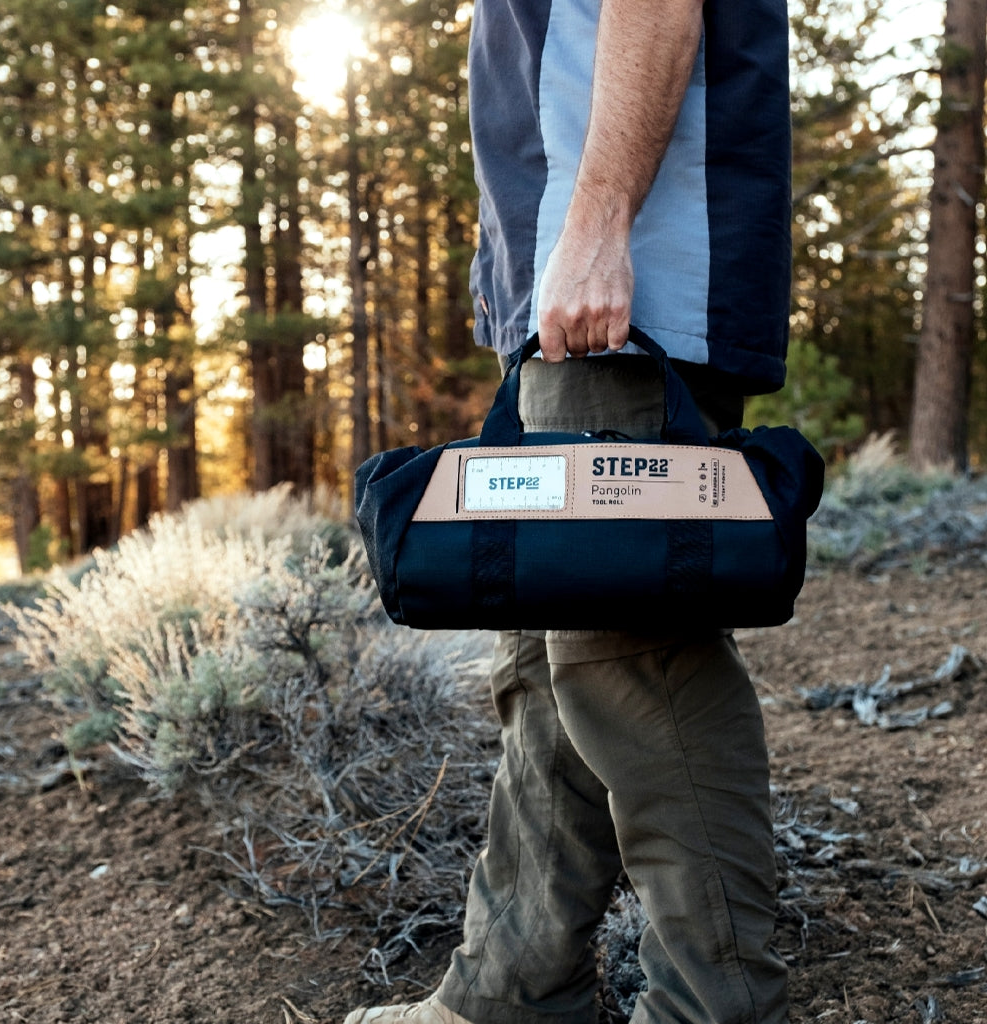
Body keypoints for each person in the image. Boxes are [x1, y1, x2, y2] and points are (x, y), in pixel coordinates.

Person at [346, 0, 793, 1021]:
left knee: (632, 652)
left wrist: (595, 227)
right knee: (548, 660)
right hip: (572, 282)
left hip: (627, 284)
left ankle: (713, 1008)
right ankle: (510, 990)